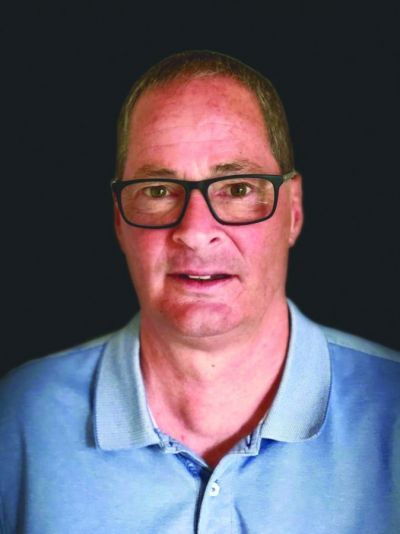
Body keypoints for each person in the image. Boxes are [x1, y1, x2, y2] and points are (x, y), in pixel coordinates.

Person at [0, 50, 399, 534]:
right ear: (119, 221)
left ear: (293, 209)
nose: (194, 231)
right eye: (157, 190)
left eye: (237, 189)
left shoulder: (392, 406)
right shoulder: (18, 418)